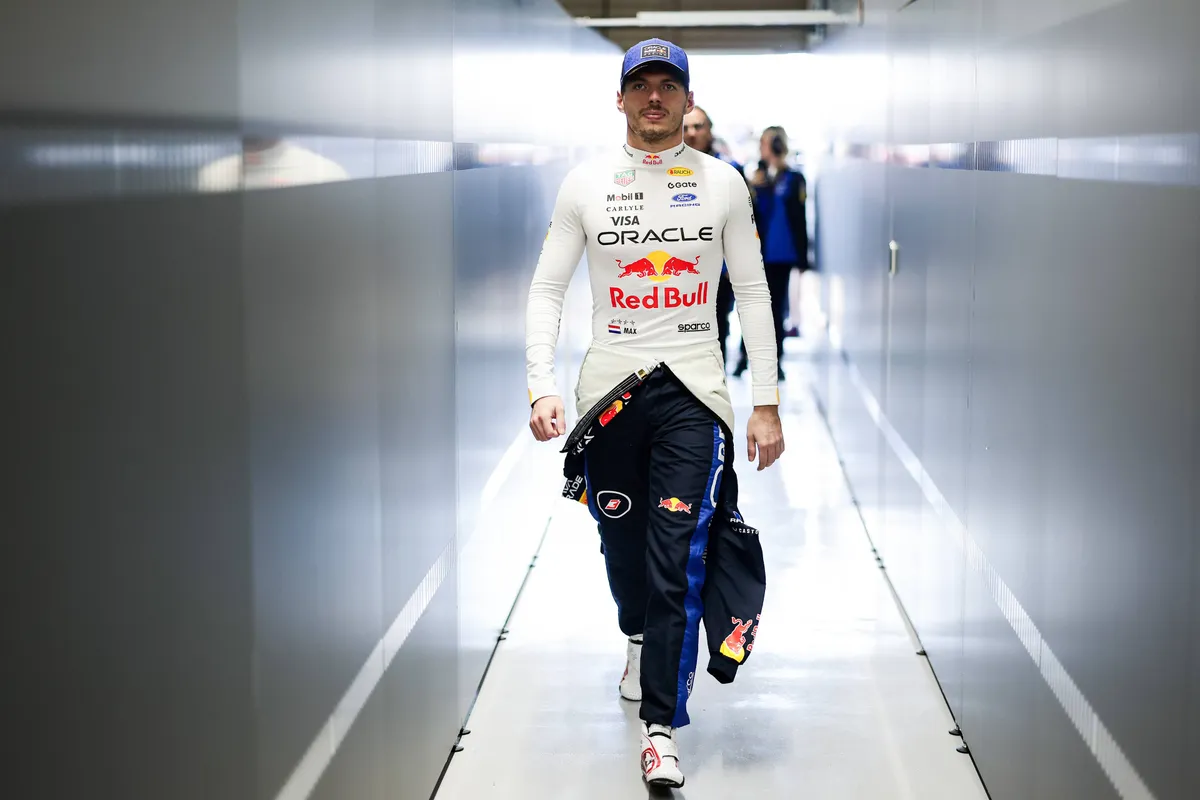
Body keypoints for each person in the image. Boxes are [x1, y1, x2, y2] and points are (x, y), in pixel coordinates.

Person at [524, 37, 784, 788]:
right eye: (641, 85)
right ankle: (636, 633)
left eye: (669, 85)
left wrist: (763, 403)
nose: (655, 98)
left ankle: (661, 725)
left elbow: (757, 293)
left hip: (695, 393)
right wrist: (541, 384)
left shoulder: (724, 185)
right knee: (622, 540)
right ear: (621, 98)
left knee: (678, 550)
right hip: (610, 393)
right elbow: (547, 290)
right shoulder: (586, 184)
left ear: (687, 99)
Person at [731, 126, 809, 381]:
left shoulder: (793, 178)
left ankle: (777, 361)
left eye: (772, 143)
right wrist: (753, 187)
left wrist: (802, 255)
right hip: (757, 254)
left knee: (777, 310)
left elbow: (800, 218)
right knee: (751, 308)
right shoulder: (755, 177)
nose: (767, 148)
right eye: (765, 143)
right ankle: (745, 357)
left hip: (782, 254)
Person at [683, 106, 744, 368]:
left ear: (710, 130)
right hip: (679, 271)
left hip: (719, 271)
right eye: (685, 128)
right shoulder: (664, 168)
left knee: (717, 329)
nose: (692, 133)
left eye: (698, 127)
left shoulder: (730, 171)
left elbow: (747, 224)